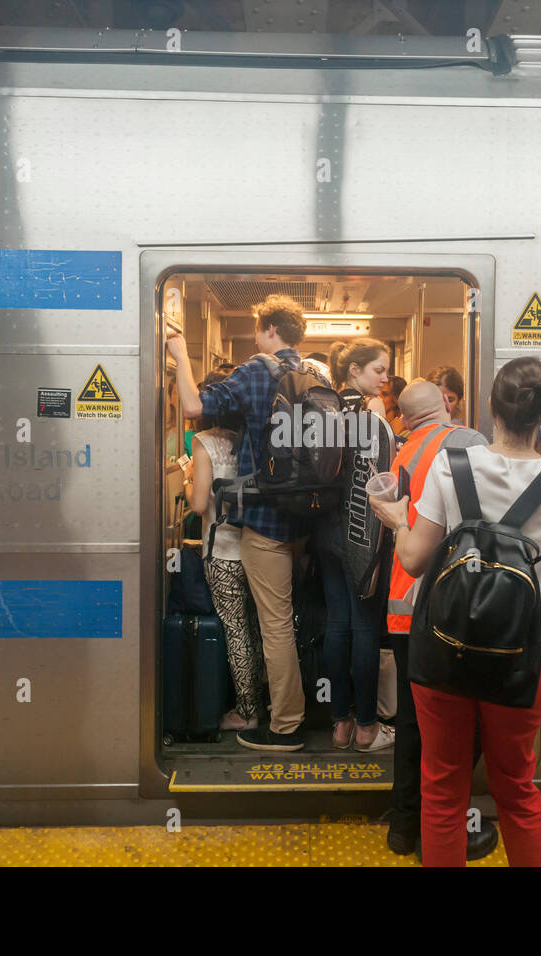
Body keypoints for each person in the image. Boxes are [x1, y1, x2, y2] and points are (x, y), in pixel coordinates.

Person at [371, 358, 541, 867]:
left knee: (443, 790)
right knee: (517, 788)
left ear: (489, 408)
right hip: (519, 655)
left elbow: (413, 558)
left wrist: (398, 519)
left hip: (443, 650)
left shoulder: (452, 467)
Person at [167, 294, 315, 752]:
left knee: (273, 626)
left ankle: (284, 725)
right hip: (307, 519)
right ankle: (301, 708)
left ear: (268, 328)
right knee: (287, 618)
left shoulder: (257, 369)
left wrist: (178, 355)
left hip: (265, 519)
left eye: (258, 329)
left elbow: (192, 407)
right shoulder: (315, 373)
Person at [381, 378, 496, 860]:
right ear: (446, 406)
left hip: (405, 602)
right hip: (449, 605)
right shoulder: (467, 442)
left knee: (412, 721)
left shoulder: (401, 454)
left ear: (405, 419)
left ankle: (404, 825)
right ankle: (442, 826)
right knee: (454, 728)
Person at [318, 338, 394, 752]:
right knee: (364, 627)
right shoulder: (372, 420)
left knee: (336, 625)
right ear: (354, 371)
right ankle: (367, 728)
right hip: (360, 532)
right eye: (379, 370)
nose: (385, 378)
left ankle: (339, 724)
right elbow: (381, 484)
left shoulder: (322, 414)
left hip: (323, 532)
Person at [183, 367, 265, 732]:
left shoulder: (204, 442)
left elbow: (200, 504)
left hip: (222, 552)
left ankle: (246, 712)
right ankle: (268, 701)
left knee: (235, 630)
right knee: (262, 628)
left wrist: (187, 483)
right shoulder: (250, 441)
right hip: (259, 547)